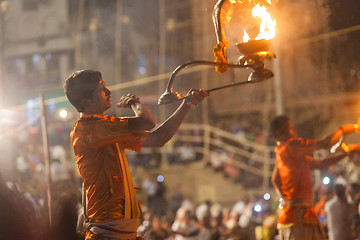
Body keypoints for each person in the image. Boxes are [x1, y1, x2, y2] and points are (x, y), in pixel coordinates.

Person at [64, 69, 209, 240]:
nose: (108, 92)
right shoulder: (88, 128)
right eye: (101, 89)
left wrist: (187, 104)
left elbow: (158, 138)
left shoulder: (105, 129)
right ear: (86, 101)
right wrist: (133, 103)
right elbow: (146, 122)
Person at [270, 115, 356, 240]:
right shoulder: (291, 146)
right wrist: (345, 129)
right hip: (297, 216)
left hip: (297, 213)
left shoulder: (284, 154)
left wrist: (347, 152)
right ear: (280, 133)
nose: (294, 130)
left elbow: (321, 164)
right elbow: (326, 143)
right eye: (290, 128)